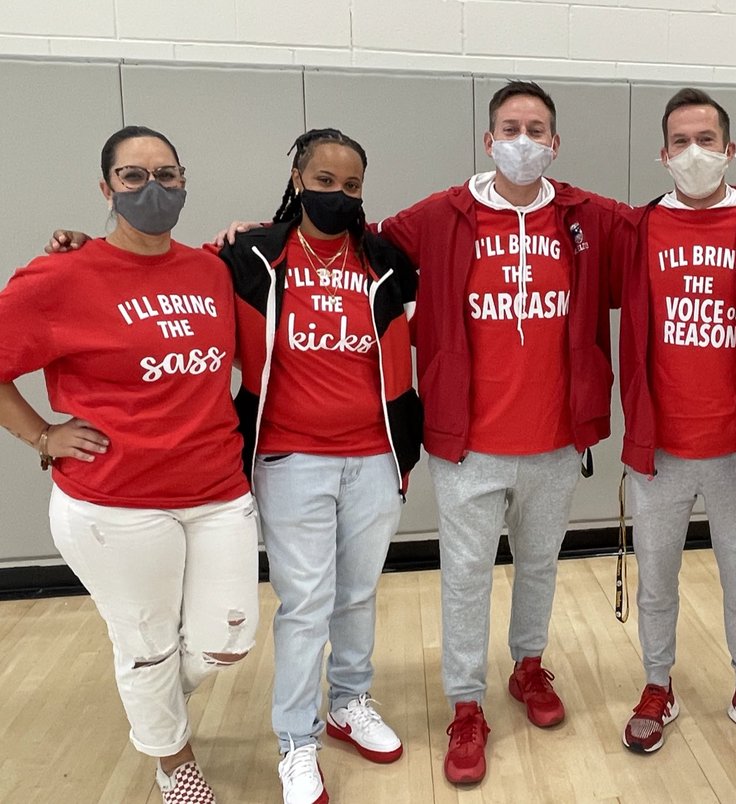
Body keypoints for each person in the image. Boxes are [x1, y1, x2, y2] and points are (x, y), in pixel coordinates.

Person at [374, 81, 624, 785]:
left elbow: (674, 233)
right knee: (465, 579)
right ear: (489, 142)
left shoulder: (586, 217)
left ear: (554, 143)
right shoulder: (441, 215)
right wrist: (246, 242)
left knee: (540, 565)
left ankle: (529, 666)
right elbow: (352, 246)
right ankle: (464, 703)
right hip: (469, 445)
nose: (523, 140)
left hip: (553, 441)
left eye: (536, 129)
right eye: (510, 128)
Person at [1, 126, 259, 804]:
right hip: (114, 503)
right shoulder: (60, 276)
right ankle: (175, 764)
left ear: (184, 181)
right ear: (106, 188)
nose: (153, 189)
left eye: (167, 175)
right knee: (146, 642)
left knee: (229, 635)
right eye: (133, 176)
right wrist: (41, 436)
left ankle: (151, 692)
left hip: (217, 489)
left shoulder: (209, 270)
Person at [219, 129, 420, 804]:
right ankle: (296, 740)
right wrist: (77, 244)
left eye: (352, 185)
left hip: (374, 457)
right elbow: (156, 268)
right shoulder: (251, 255)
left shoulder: (386, 261)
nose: (339, 195)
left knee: (358, 592)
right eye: (325, 182)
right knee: (307, 603)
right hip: (291, 456)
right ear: (298, 179)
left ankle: (349, 703)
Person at [614, 88, 736, 760]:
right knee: (656, 578)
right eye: (682, 142)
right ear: (663, 154)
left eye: (708, 141)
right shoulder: (635, 228)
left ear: (730, 150)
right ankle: (657, 684)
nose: (695, 153)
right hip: (657, 448)